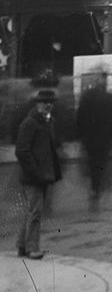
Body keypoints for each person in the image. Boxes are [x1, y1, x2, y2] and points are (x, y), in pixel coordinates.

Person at [14, 90, 63, 260]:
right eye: (44, 102)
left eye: (51, 102)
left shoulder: (49, 121)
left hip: (42, 174)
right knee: (35, 212)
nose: (48, 105)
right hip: (33, 176)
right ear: (37, 103)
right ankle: (32, 248)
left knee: (31, 211)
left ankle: (22, 245)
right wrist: (35, 171)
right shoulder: (30, 123)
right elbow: (21, 150)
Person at [76, 73, 112, 211]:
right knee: (107, 166)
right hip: (107, 140)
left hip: (90, 140)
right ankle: (105, 195)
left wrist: (80, 137)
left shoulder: (86, 98)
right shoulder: (111, 99)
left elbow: (79, 119)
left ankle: (94, 192)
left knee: (93, 166)